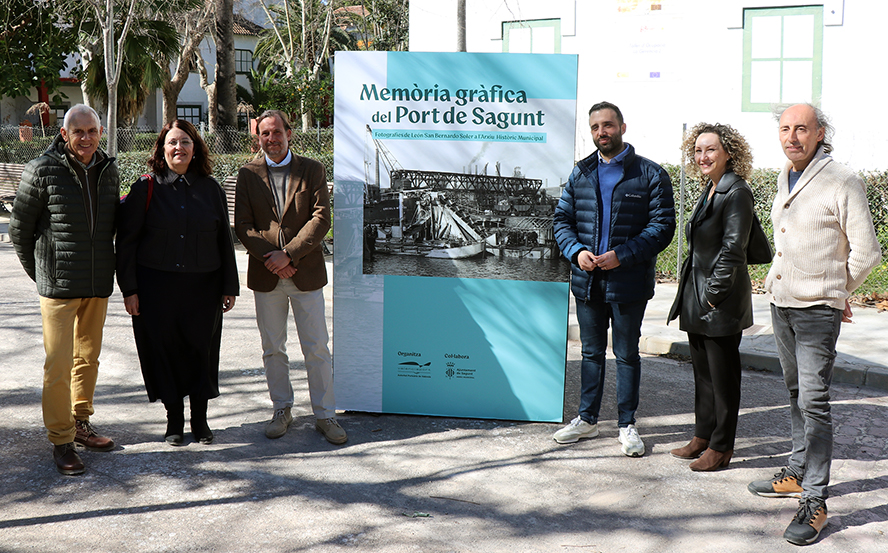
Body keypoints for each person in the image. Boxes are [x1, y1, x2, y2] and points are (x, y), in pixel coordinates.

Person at [747, 104, 881, 546]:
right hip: (781, 302)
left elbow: (867, 252)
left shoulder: (842, 180)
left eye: (801, 128)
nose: (792, 136)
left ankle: (816, 500)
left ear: (819, 132)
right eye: (785, 128)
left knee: (815, 401)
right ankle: (798, 471)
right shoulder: (786, 175)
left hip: (816, 310)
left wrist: (836, 291)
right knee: (794, 393)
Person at [552, 101, 675, 456]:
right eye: (595, 127)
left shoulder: (650, 174)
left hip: (628, 283)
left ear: (622, 127)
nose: (601, 132)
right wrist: (575, 251)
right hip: (588, 281)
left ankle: (627, 425)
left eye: (607, 125)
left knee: (626, 354)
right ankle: (587, 419)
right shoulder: (581, 173)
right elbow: (561, 220)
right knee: (591, 353)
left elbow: (662, 227)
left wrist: (622, 255)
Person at [9, 105, 118, 475]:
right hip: (58, 287)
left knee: (88, 358)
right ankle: (61, 439)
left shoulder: (108, 169)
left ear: (100, 132)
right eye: (78, 132)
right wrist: (42, 273)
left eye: (92, 131)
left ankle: (80, 421)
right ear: (64, 133)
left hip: (97, 283)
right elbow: (19, 230)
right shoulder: (42, 169)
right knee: (58, 364)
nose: (85, 138)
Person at [116, 120, 238, 446]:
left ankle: (200, 419)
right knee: (164, 352)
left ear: (195, 148)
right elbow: (127, 243)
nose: (179, 148)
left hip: (204, 289)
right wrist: (129, 289)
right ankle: (174, 419)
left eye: (185, 142)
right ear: (162, 150)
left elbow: (224, 241)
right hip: (156, 289)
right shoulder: (145, 188)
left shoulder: (211, 189)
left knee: (201, 352)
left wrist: (230, 286)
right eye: (172, 142)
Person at [234, 109, 346, 445]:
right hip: (267, 273)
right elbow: (243, 225)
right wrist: (273, 259)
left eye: (277, 132)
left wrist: (290, 254)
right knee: (273, 348)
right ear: (258, 138)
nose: (271, 139)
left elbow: (321, 219)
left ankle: (325, 415)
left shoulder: (312, 169)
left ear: (289, 133)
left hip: (305, 272)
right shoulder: (248, 173)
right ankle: (281, 409)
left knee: (317, 347)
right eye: (265, 134)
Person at [667, 123, 758, 471]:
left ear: (728, 152)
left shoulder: (737, 192)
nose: (702, 157)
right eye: (698, 150)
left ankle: (721, 447)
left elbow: (734, 250)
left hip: (719, 300)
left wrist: (711, 297)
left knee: (723, 379)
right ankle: (702, 437)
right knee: (703, 375)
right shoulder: (712, 187)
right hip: (698, 296)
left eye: (711, 150)